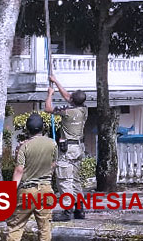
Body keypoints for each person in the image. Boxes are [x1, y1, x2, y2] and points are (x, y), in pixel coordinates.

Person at [6, 113, 57, 241]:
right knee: (45, 227)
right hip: (46, 189)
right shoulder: (52, 144)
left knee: (16, 225)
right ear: (43, 128)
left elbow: (19, 170)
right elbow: (53, 165)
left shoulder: (24, 146)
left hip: (27, 191)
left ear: (27, 129)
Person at [45, 75, 88, 221]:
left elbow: (48, 108)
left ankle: (67, 210)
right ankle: (79, 209)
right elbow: (68, 96)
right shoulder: (83, 110)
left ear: (72, 100)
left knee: (64, 179)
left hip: (67, 150)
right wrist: (56, 81)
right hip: (79, 148)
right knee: (75, 179)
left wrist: (50, 94)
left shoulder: (67, 112)